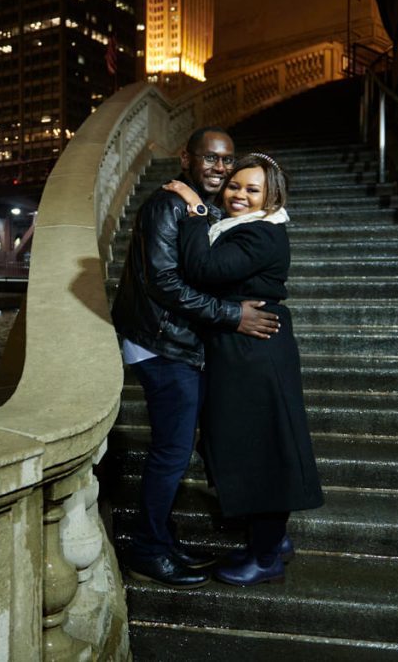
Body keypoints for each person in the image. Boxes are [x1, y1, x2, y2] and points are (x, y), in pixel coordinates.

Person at [110, 128, 280, 589]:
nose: (219, 169)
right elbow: (164, 282)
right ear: (186, 158)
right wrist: (231, 316)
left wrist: (203, 209)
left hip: (184, 343)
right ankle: (148, 549)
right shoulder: (165, 205)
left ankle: (163, 539)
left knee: (179, 448)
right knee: (171, 452)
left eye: (226, 161)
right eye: (210, 159)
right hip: (162, 344)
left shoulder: (196, 208)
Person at [163, 152, 324, 586]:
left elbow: (204, 268)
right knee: (248, 442)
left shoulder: (261, 233)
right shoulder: (245, 228)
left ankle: (266, 555)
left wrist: (196, 212)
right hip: (244, 346)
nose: (238, 194)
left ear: (271, 199)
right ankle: (273, 539)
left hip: (255, 351)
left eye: (252, 190)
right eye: (235, 185)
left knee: (262, 448)